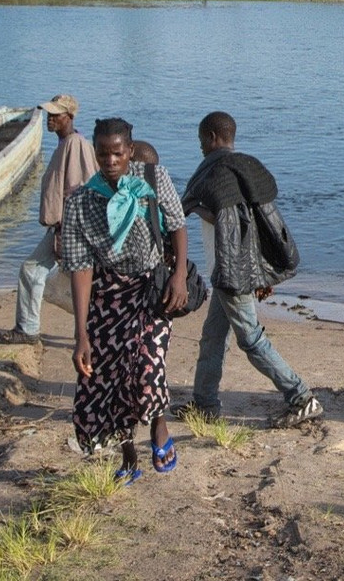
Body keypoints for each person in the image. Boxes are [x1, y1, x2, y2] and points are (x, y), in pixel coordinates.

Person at [62, 117, 189, 482]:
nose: (111, 160)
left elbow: (177, 224)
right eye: (103, 154)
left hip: (150, 290)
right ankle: (129, 456)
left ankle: (159, 429)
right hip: (107, 298)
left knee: (150, 365)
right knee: (109, 379)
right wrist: (81, 333)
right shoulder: (81, 202)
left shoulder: (153, 180)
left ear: (129, 151)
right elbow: (81, 269)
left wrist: (178, 275)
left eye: (117, 153)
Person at [175, 111, 321, 428]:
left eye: (201, 140)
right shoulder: (245, 167)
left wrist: (191, 206)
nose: (200, 147)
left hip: (232, 270)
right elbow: (256, 221)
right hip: (230, 269)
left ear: (212, 137)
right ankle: (204, 404)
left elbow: (226, 219)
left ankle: (301, 397)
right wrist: (262, 272)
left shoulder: (217, 173)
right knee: (212, 337)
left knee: (251, 339)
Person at [0, 94, 97, 345]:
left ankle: (29, 330)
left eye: (56, 115)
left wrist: (64, 231)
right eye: (49, 114)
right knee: (40, 273)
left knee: (33, 270)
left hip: (69, 227)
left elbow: (79, 190)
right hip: (60, 226)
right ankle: (31, 329)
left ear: (70, 117)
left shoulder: (76, 144)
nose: (50, 119)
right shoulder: (65, 144)